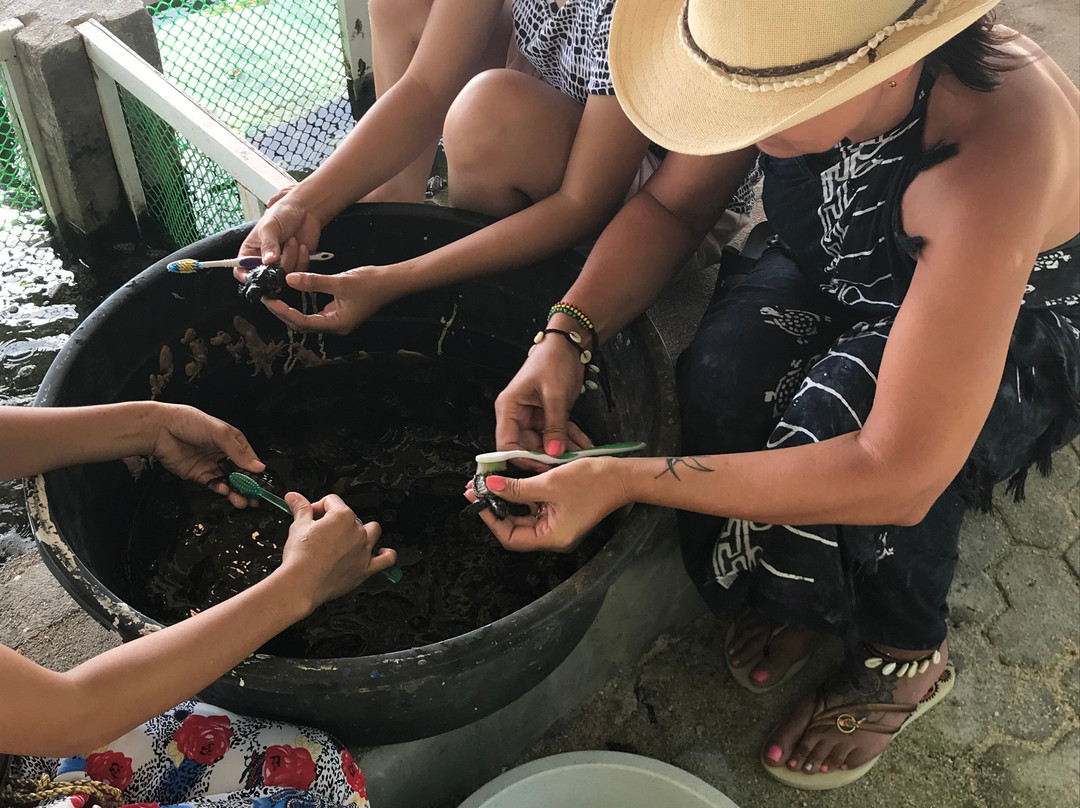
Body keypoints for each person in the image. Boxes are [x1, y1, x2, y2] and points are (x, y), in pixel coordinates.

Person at [469, 0, 1080, 790]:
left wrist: (623, 478)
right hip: (841, 264)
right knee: (718, 383)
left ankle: (906, 658)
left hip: (1009, 318)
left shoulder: (998, 145)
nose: (749, 136)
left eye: (777, 111)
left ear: (888, 63)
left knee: (844, 427)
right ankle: (801, 588)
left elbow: (899, 468)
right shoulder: (797, 60)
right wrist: (566, 336)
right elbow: (669, 203)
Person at [236, 0, 757, 336]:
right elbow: (423, 86)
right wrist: (310, 201)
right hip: (558, 83)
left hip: (651, 177)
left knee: (484, 116)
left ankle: (486, 278)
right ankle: (393, 211)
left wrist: (406, 279)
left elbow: (583, 204)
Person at [0, 401, 396, 807]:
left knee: (317, 771)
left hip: (17, 739)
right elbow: (75, 714)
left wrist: (154, 428)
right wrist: (301, 585)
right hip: (55, 726)